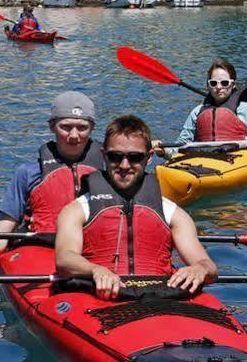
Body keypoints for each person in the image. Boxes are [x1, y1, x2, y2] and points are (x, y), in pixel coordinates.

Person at [55, 114, 218, 299]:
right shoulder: (77, 210)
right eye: (115, 156)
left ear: (148, 157)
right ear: (104, 155)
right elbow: (65, 258)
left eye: (134, 157)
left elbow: (208, 265)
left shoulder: (173, 213)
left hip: (162, 297)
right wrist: (96, 270)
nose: (124, 165)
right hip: (99, 296)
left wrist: (200, 268)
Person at [0, 91, 106, 257]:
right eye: (66, 127)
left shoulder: (111, 168)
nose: (74, 135)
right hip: (42, 249)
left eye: (82, 128)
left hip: (96, 248)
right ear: (51, 126)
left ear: (92, 127)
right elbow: (2, 234)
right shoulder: (27, 173)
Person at [166, 59, 247, 149]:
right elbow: (180, 145)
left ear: (233, 85)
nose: (218, 87)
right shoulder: (197, 112)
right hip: (204, 159)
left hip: (239, 162)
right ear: (208, 86)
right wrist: (163, 151)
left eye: (224, 83)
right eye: (213, 83)